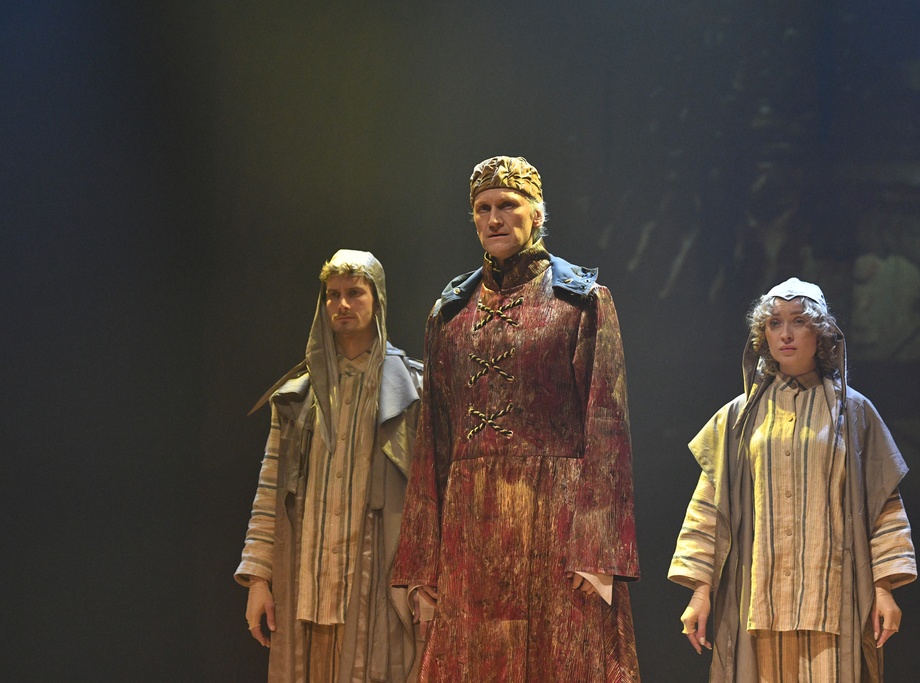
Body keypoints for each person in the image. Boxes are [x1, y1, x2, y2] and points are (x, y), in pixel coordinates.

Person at [391, 156, 641, 682]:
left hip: (558, 527)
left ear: (537, 214)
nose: (495, 218)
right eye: (483, 209)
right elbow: (432, 441)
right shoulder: (450, 314)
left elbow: (607, 425)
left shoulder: (581, 303)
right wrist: (421, 562)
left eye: (507, 205)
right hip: (470, 532)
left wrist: (598, 549)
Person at [668, 277, 917, 682]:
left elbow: (884, 505)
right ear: (762, 335)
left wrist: (884, 589)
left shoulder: (853, 413)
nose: (785, 334)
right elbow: (709, 508)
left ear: (820, 332)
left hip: (832, 601)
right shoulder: (738, 417)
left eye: (798, 321)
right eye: (774, 323)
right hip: (757, 603)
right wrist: (700, 592)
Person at [236, 250, 425, 683]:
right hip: (306, 587)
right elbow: (270, 491)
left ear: (377, 300)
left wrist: (425, 581)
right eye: (333, 294)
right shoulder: (297, 397)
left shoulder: (412, 391)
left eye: (355, 293)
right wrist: (259, 580)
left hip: (377, 588)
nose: (342, 304)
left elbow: (430, 499)